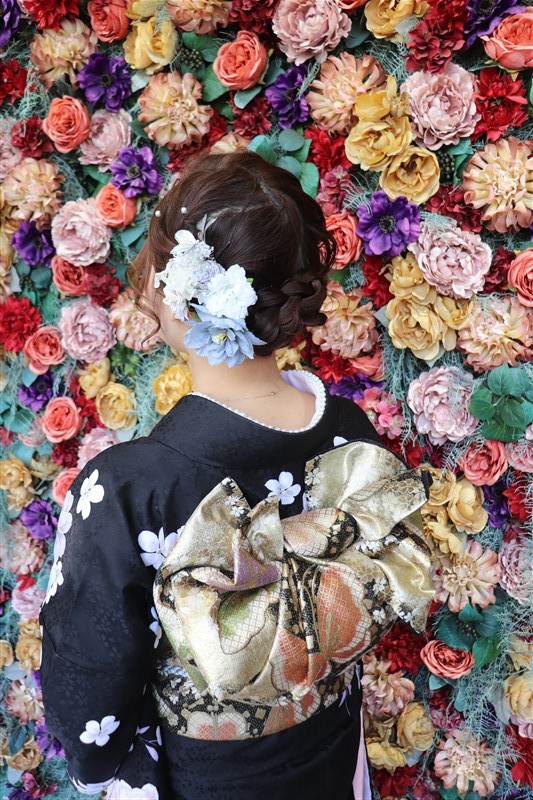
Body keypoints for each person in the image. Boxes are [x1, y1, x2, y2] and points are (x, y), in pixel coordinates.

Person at [39, 152, 435, 800]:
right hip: (329, 759)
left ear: (172, 287)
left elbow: (89, 691)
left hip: (194, 779)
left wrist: (96, 764)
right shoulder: (348, 432)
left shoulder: (129, 488)